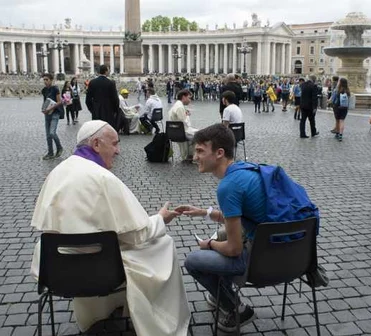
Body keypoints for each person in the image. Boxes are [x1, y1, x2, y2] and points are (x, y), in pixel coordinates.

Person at [29, 120, 190, 336]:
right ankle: (161, 320)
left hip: (57, 271)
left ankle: (101, 312)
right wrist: (161, 219)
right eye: (114, 144)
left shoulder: (57, 172)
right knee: (164, 243)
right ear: (96, 144)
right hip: (103, 272)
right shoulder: (103, 178)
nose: (118, 150)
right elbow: (137, 234)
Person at [175, 124, 267, 331]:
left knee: (193, 261)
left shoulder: (228, 186)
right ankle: (221, 293)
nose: (194, 157)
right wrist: (203, 212)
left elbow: (233, 249)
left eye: (200, 151)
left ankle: (236, 308)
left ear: (219, 153)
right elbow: (239, 218)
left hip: (263, 262)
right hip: (292, 254)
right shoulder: (248, 170)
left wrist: (210, 244)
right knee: (223, 234)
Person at [168, 89, 198, 162]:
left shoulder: (177, 105)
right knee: (200, 134)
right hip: (180, 132)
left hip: (174, 130)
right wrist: (187, 115)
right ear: (183, 97)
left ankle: (190, 154)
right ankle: (193, 155)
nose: (190, 100)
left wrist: (185, 114)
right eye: (189, 98)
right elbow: (185, 123)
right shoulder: (180, 107)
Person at [86, 64, 120, 129]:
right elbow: (115, 99)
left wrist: (92, 110)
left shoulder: (92, 82)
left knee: (97, 130)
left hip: (96, 110)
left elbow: (88, 99)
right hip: (108, 111)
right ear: (106, 71)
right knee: (107, 130)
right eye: (108, 70)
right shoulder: (111, 83)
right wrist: (115, 110)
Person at [40, 73, 64, 160]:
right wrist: (44, 109)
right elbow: (45, 101)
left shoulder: (55, 89)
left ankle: (59, 147)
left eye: (47, 80)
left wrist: (51, 108)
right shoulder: (44, 90)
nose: (45, 81)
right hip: (47, 114)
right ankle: (50, 153)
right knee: (48, 135)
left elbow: (59, 101)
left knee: (52, 132)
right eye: (44, 80)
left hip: (55, 113)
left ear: (51, 80)